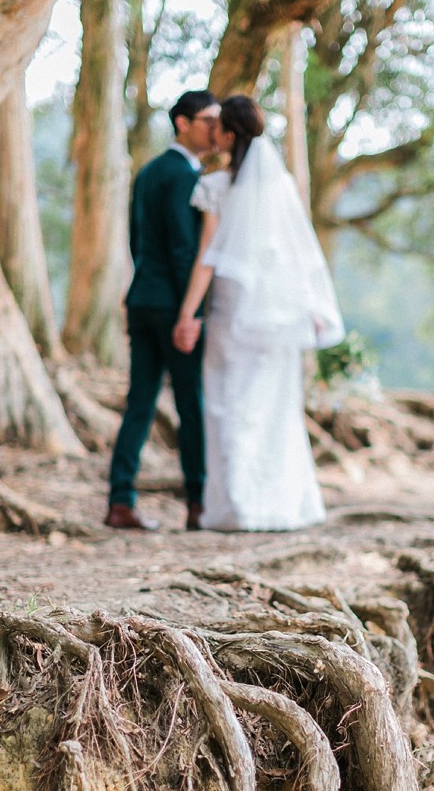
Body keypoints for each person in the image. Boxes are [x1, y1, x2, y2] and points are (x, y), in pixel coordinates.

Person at [172, 96, 344, 531]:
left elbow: (208, 257)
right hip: (279, 317)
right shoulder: (281, 186)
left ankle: (236, 507)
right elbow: (299, 255)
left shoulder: (216, 186)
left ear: (228, 135)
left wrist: (188, 314)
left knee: (229, 406)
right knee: (275, 409)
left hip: (233, 315)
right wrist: (312, 307)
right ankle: (281, 505)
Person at [105, 89, 218, 532]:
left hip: (141, 298)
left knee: (140, 403)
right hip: (174, 307)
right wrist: (191, 312)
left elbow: (137, 240)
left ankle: (120, 500)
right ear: (183, 123)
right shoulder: (184, 176)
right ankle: (197, 504)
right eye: (208, 119)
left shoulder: (148, 171)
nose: (216, 128)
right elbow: (184, 248)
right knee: (190, 404)